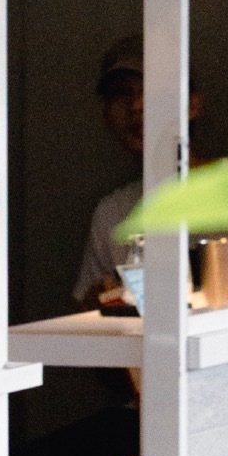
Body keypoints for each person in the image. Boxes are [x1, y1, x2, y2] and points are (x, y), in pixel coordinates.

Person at [71, 33, 203, 307]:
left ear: (191, 105)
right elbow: (88, 316)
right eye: (121, 94)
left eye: (152, 90)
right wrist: (94, 305)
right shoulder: (112, 215)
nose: (136, 106)